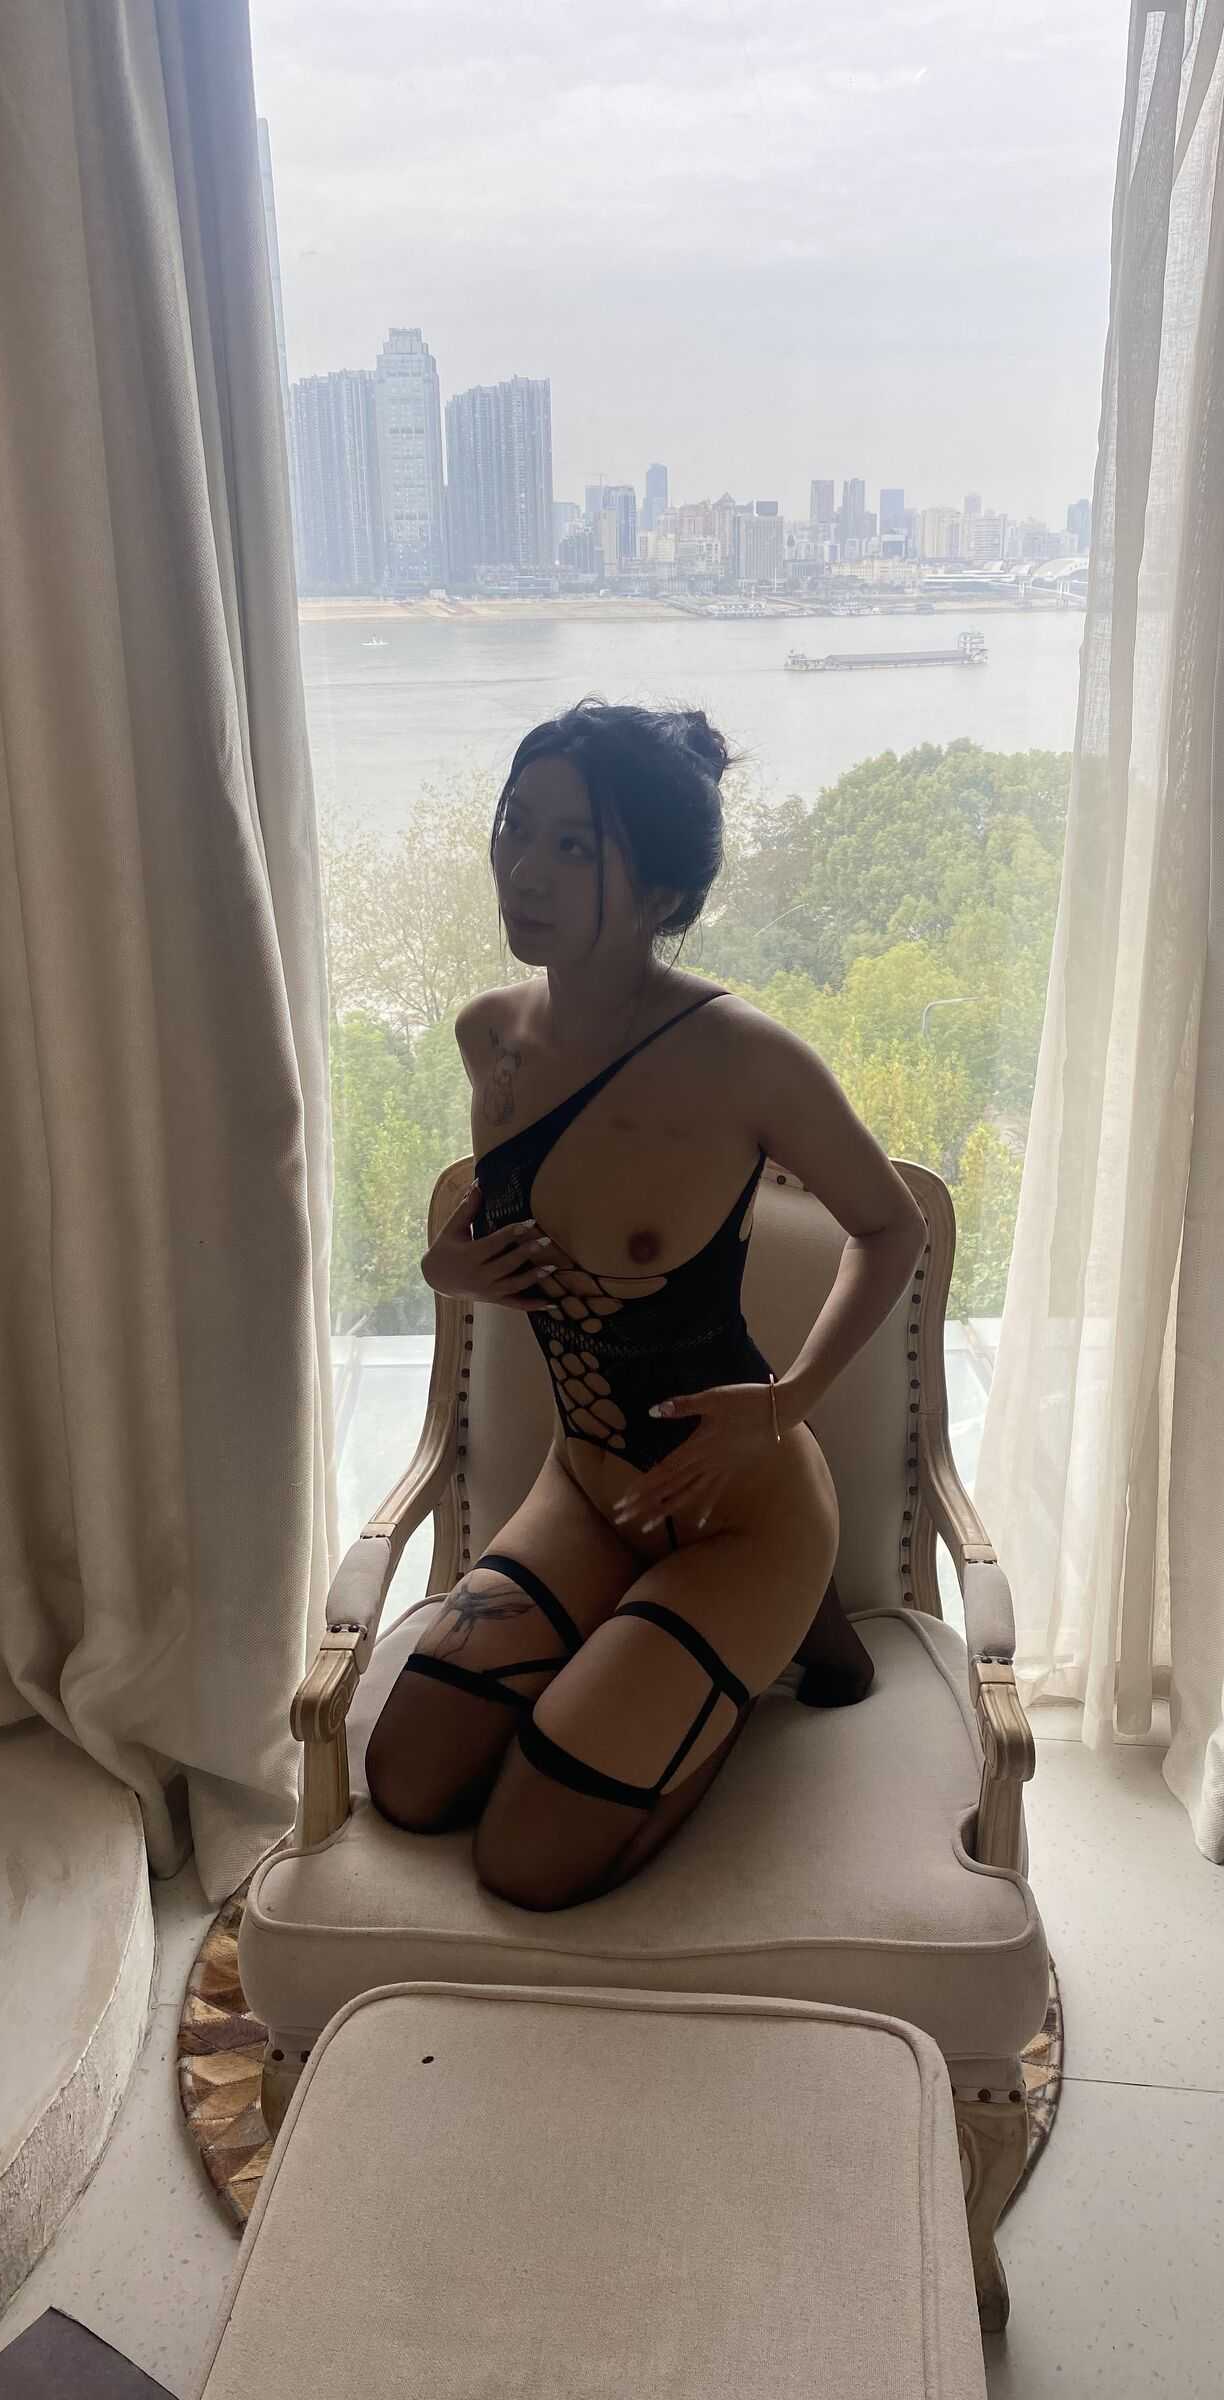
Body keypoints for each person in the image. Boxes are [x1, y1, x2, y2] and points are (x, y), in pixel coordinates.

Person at [364, 699, 926, 1909]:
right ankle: (655, 1648)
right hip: (587, 1489)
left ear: (662, 889)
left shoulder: (745, 1059)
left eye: (575, 845)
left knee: (525, 1861)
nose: (526, 868)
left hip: (740, 1513)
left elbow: (894, 1228)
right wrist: (448, 1273)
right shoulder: (489, 1037)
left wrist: (786, 1401)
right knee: (407, 1781)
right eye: (517, 825)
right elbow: (514, 1225)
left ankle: (738, 1674)